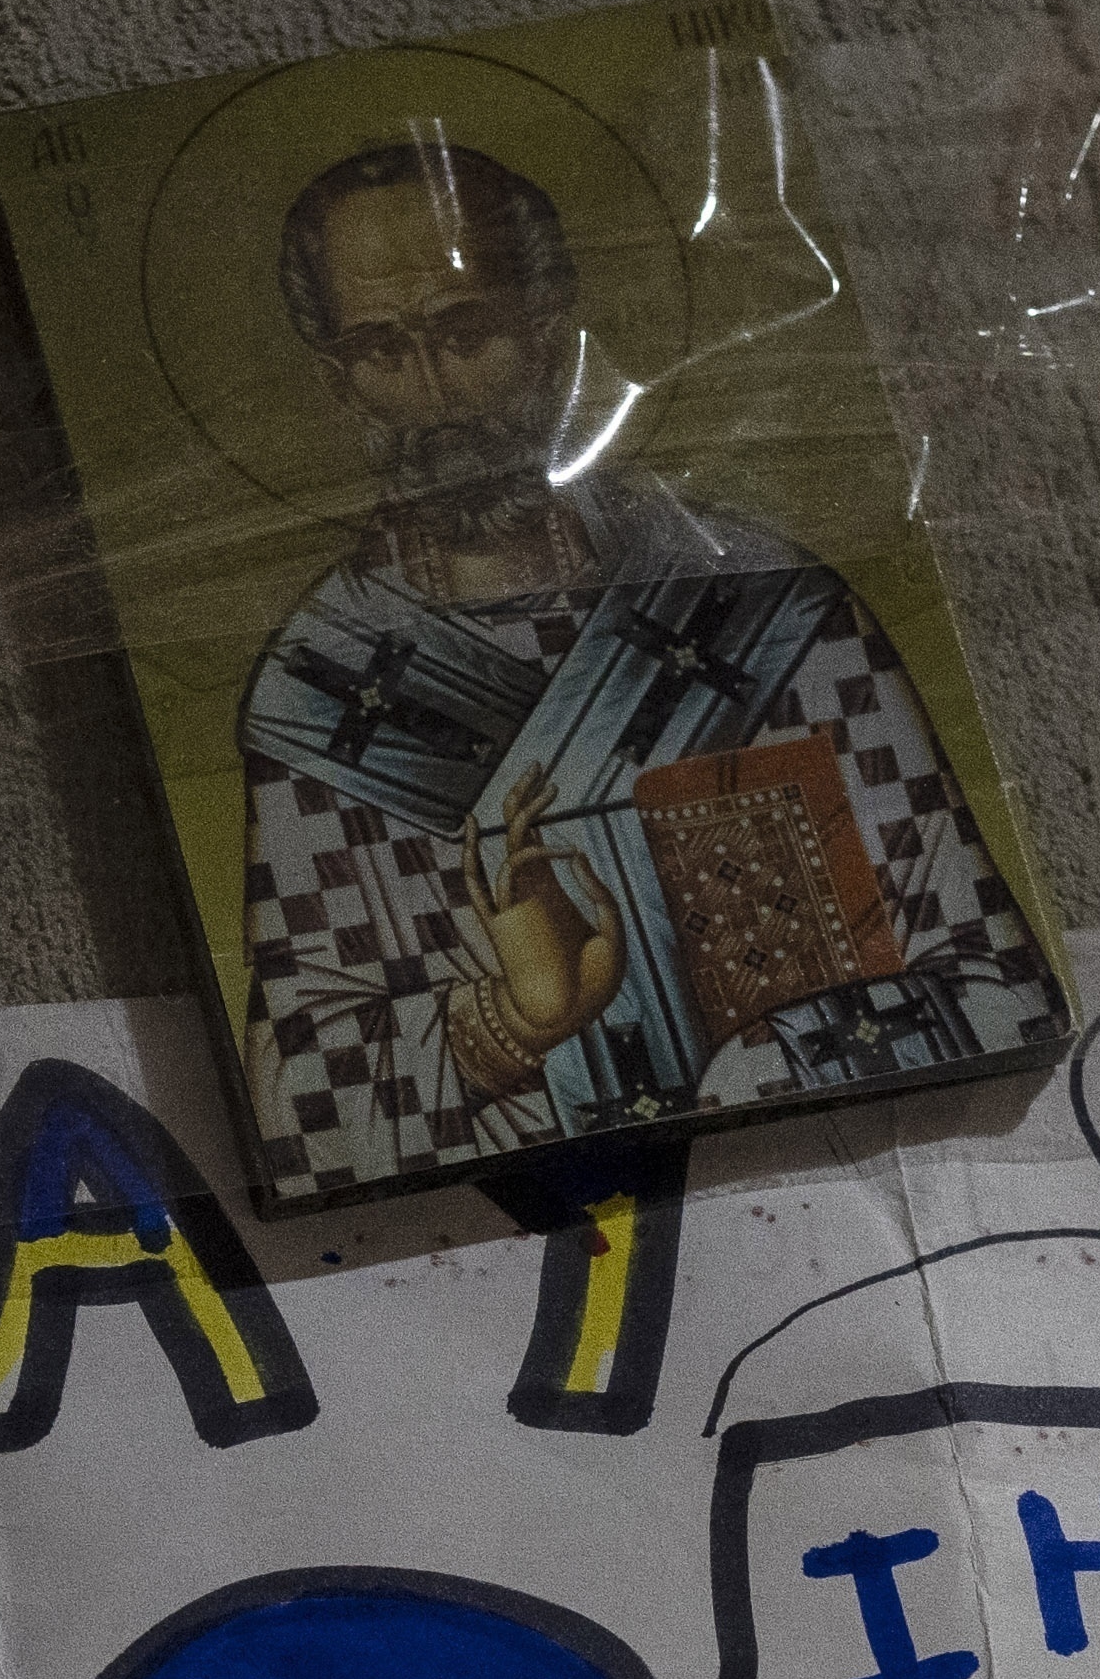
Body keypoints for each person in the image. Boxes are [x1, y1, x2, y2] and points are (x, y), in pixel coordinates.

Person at [231, 134, 1054, 1199]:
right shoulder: (319, 696)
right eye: (382, 350)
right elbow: (297, 1111)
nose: (434, 393)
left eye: (466, 332)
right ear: (339, 380)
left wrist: (767, 1073)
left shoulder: (764, 609)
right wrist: (508, 1021)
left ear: (549, 327)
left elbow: (996, 986)